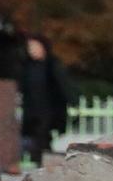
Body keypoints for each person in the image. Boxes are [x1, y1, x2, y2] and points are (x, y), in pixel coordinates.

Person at [16, 34, 72, 166]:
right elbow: (22, 86)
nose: (32, 50)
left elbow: (62, 85)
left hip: (48, 108)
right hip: (31, 108)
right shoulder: (26, 66)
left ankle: (44, 163)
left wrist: (69, 100)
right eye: (30, 47)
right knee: (34, 138)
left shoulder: (52, 65)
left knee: (42, 135)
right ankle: (42, 163)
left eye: (35, 47)